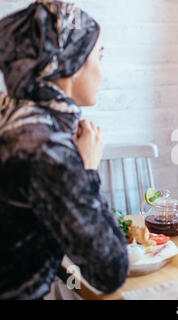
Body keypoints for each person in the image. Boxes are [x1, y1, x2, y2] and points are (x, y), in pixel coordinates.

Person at [0, 0, 128, 299]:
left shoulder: (13, 119)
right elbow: (109, 270)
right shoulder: (46, 149)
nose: (102, 70)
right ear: (71, 63)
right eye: (99, 56)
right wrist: (88, 171)